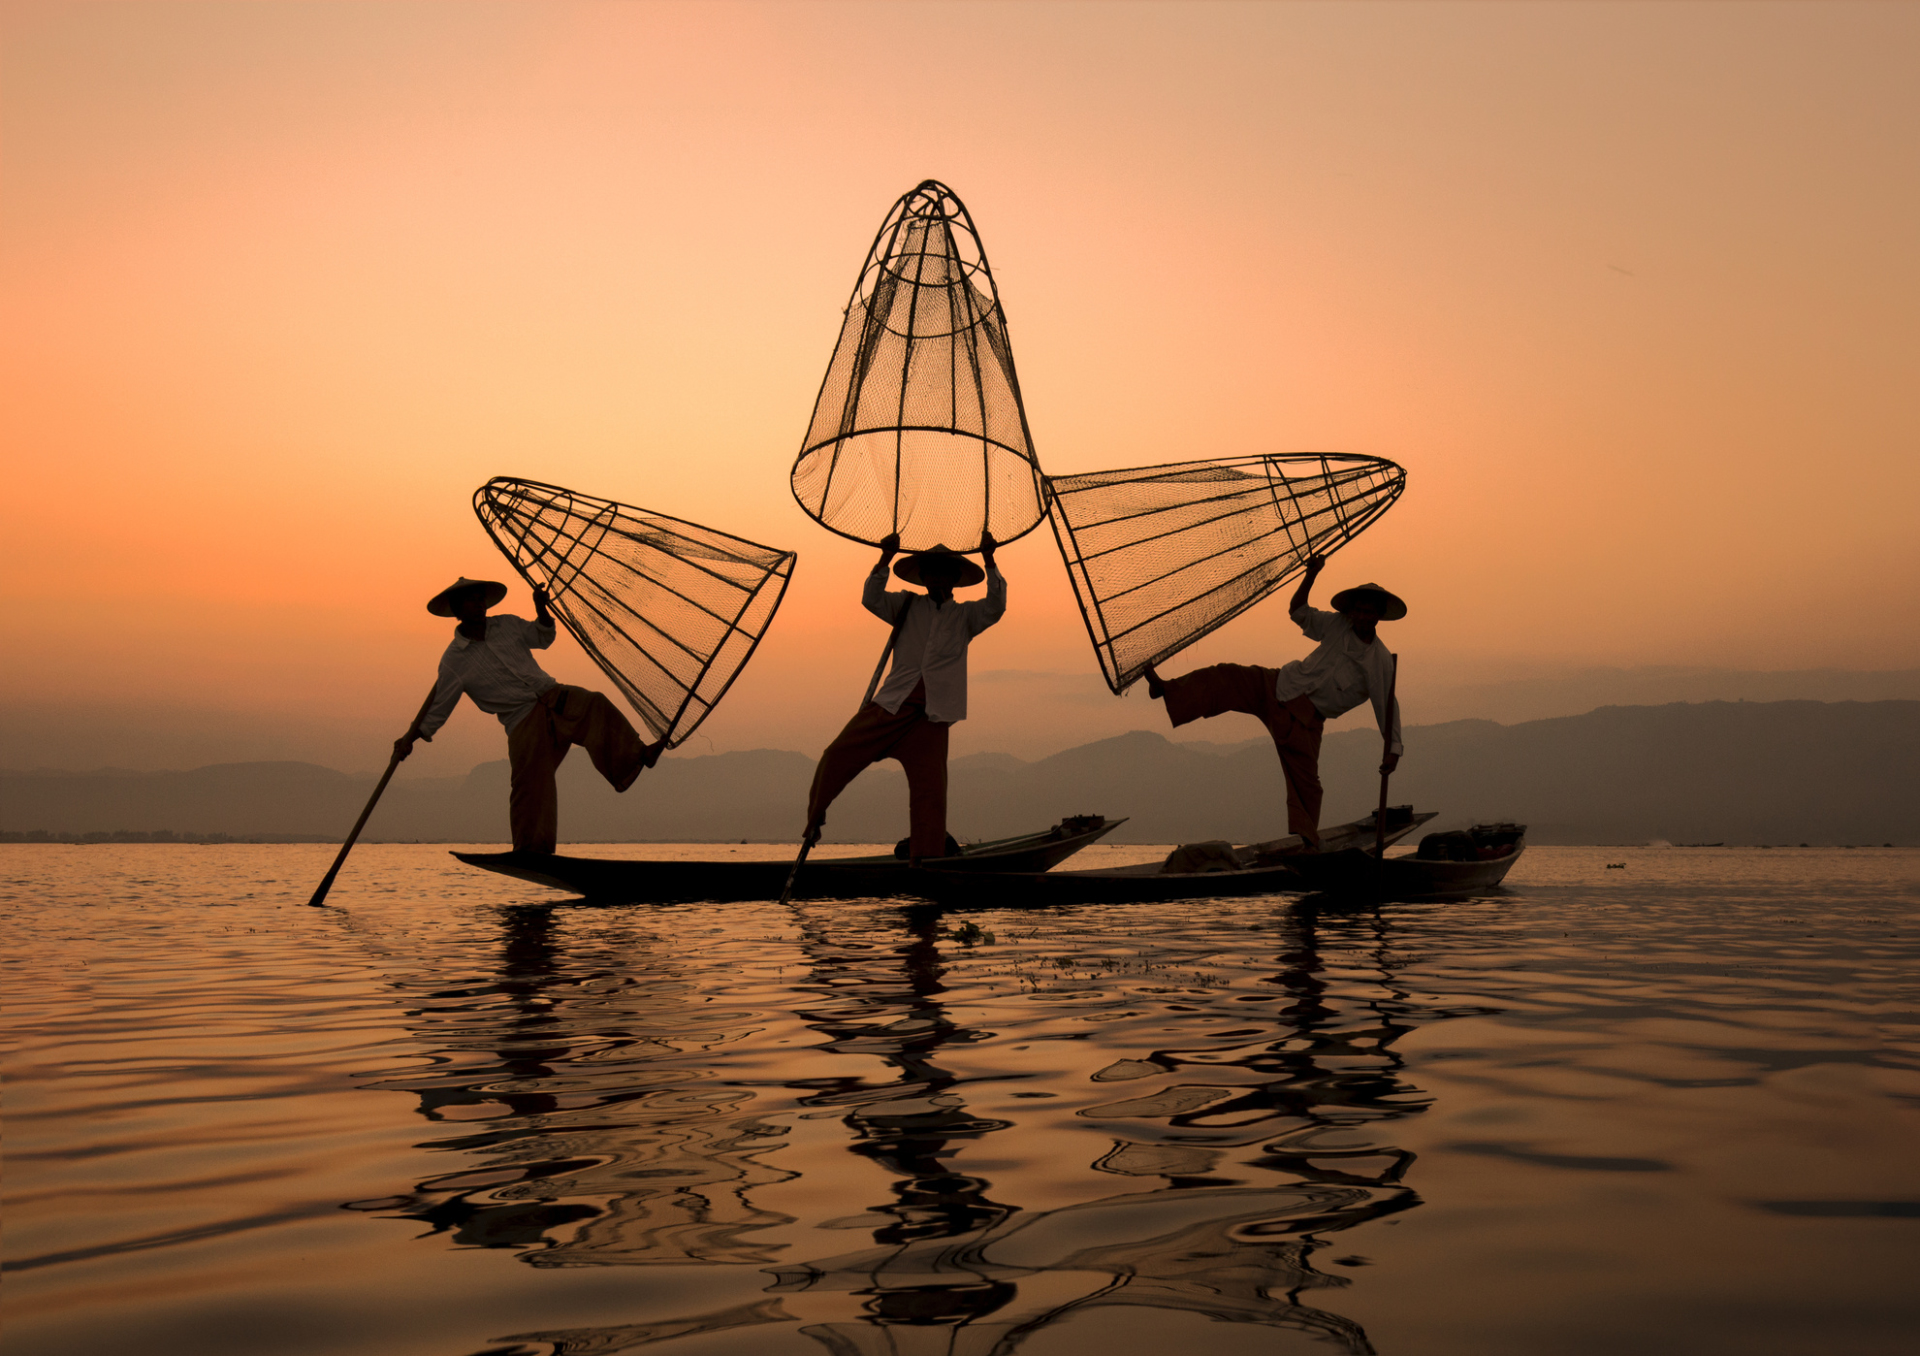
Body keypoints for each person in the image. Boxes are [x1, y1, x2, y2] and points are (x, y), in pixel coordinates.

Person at [1142, 553, 1404, 849]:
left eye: (1369, 612)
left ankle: (1308, 846)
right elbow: (1298, 611)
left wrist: (1392, 750)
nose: (1363, 617)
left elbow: (1386, 705)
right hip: (1279, 684)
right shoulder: (1337, 624)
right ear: (1352, 612)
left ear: (1378, 616)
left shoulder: (1379, 660)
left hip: (1306, 720)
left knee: (1308, 788)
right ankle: (1168, 689)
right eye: (1359, 610)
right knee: (1226, 676)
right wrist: (1311, 574)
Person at [394, 577, 665, 855]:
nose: (479, 604)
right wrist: (409, 737)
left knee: (594, 704)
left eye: (480, 598)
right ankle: (530, 850)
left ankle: (639, 754)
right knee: (530, 785)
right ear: (458, 610)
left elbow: (542, 637)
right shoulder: (454, 660)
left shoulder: (507, 624)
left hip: (552, 695)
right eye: (471, 599)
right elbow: (438, 709)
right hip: (522, 721)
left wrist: (541, 609)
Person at [803, 532, 1006, 860]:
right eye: (932, 572)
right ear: (924, 578)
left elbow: (996, 606)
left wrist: (989, 559)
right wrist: (885, 557)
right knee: (836, 755)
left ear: (954, 579)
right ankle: (814, 820)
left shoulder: (965, 616)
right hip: (890, 706)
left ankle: (927, 863)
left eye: (944, 572)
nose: (937, 577)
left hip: (933, 718)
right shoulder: (906, 604)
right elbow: (871, 598)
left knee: (931, 796)